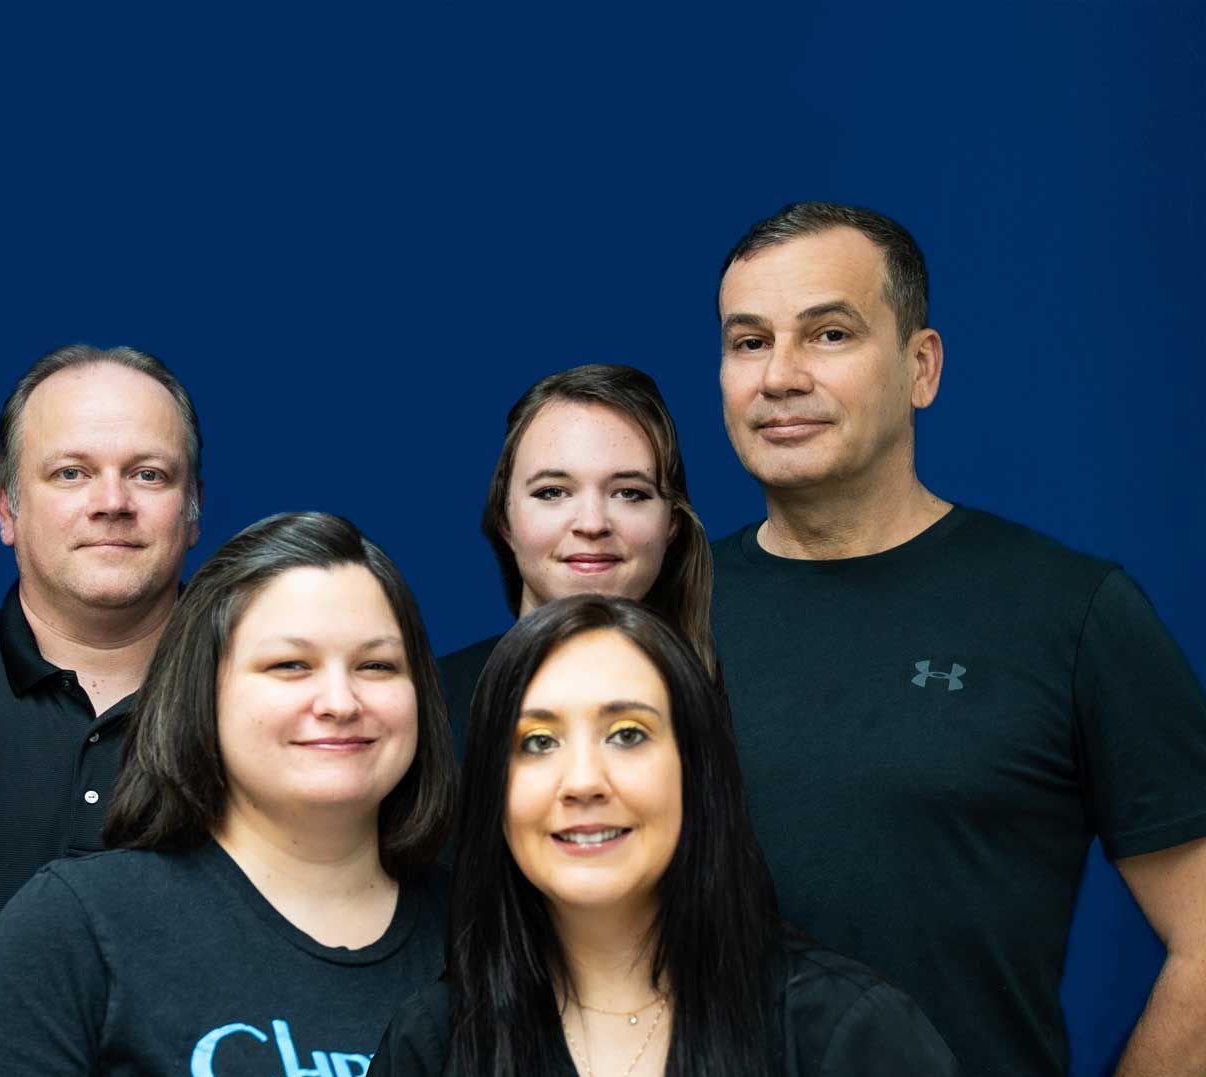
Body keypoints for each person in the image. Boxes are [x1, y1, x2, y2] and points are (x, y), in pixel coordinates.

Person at [712, 201, 1206, 1076]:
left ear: (921, 367)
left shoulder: (1069, 611)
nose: (779, 375)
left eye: (829, 334)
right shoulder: (659, 616)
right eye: (749, 341)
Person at [0, 512, 456, 1076]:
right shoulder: (80, 924)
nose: (340, 702)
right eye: (290, 664)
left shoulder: (490, 929)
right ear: (204, 693)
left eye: (377, 665)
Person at [372, 595, 958, 1076]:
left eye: (627, 734)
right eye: (538, 742)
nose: (581, 782)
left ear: (695, 770)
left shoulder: (847, 1033)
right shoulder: (431, 1047)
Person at [0, 344, 202, 966]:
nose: (111, 501)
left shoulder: (270, 700)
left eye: (149, 474)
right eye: (71, 473)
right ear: (7, 507)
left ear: (192, 511)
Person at [440, 365, 709, 748]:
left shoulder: (732, 703)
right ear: (505, 518)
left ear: (672, 523)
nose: (592, 523)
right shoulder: (429, 706)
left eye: (629, 492)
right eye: (552, 492)